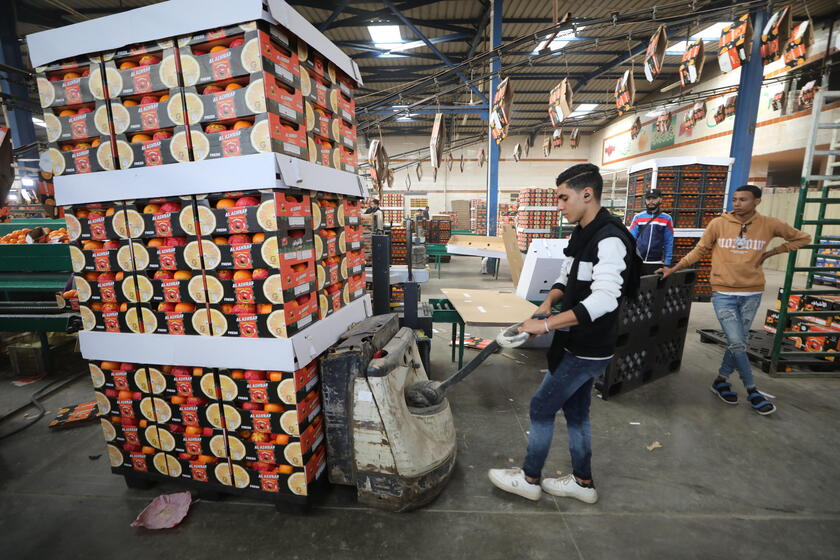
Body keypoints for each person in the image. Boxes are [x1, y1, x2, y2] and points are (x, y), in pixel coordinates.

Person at [488, 163, 640, 504]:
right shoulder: (583, 232)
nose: (559, 205)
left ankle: (529, 478)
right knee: (576, 412)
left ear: (587, 194)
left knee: (541, 407)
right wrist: (549, 302)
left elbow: (605, 298)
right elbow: (568, 273)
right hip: (576, 341)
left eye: (563, 198)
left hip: (587, 346)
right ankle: (583, 483)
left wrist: (544, 326)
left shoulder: (611, 239)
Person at [658, 185, 810, 416]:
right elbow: (699, 251)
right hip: (723, 293)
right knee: (738, 342)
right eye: (735, 199)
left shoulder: (769, 224)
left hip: (752, 293)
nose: (737, 203)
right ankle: (752, 391)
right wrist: (674, 268)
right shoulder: (718, 224)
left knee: (735, 341)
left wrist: (773, 252)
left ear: (757, 201)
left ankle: (721, 380)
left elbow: (803, 237)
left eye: (743, 199)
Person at [629, 188, 674, 275]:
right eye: (648, 199)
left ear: (660, 199)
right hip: (637, 262)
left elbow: (668, 242)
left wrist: (667, 264)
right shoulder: (638, 217)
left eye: (654, 198)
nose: (651, 201)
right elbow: (630, 239)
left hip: (656, 263)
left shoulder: (667, 218)